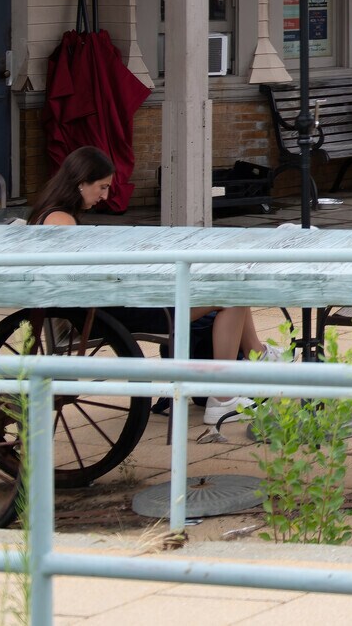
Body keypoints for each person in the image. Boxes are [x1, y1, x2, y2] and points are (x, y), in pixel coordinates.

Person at [29, 147, 270, 427]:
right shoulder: (61, 222)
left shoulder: (50, 213)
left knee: (225, 286)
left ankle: (258, 358)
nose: (105, 196)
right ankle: (225, 396)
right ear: (81, 182)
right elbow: (87, 279)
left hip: (107, 308)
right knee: (232, 295)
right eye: (102, 187)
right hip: (114, 312)